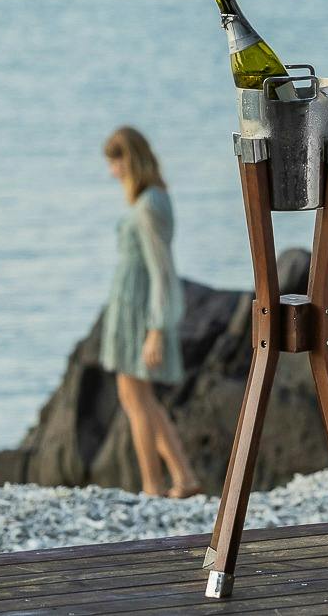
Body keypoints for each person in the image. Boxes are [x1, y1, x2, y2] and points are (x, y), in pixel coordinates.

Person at [100, 126, 201, 498]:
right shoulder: (150, 199)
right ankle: (183, 477)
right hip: (132, 309)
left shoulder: (150, 204)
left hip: (140, 313)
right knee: (142, 400)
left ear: (130, 159)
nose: (112, 170)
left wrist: (157, 327)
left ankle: (152, 484)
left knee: (136, 401)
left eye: (115, 161)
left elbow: (162, 269)